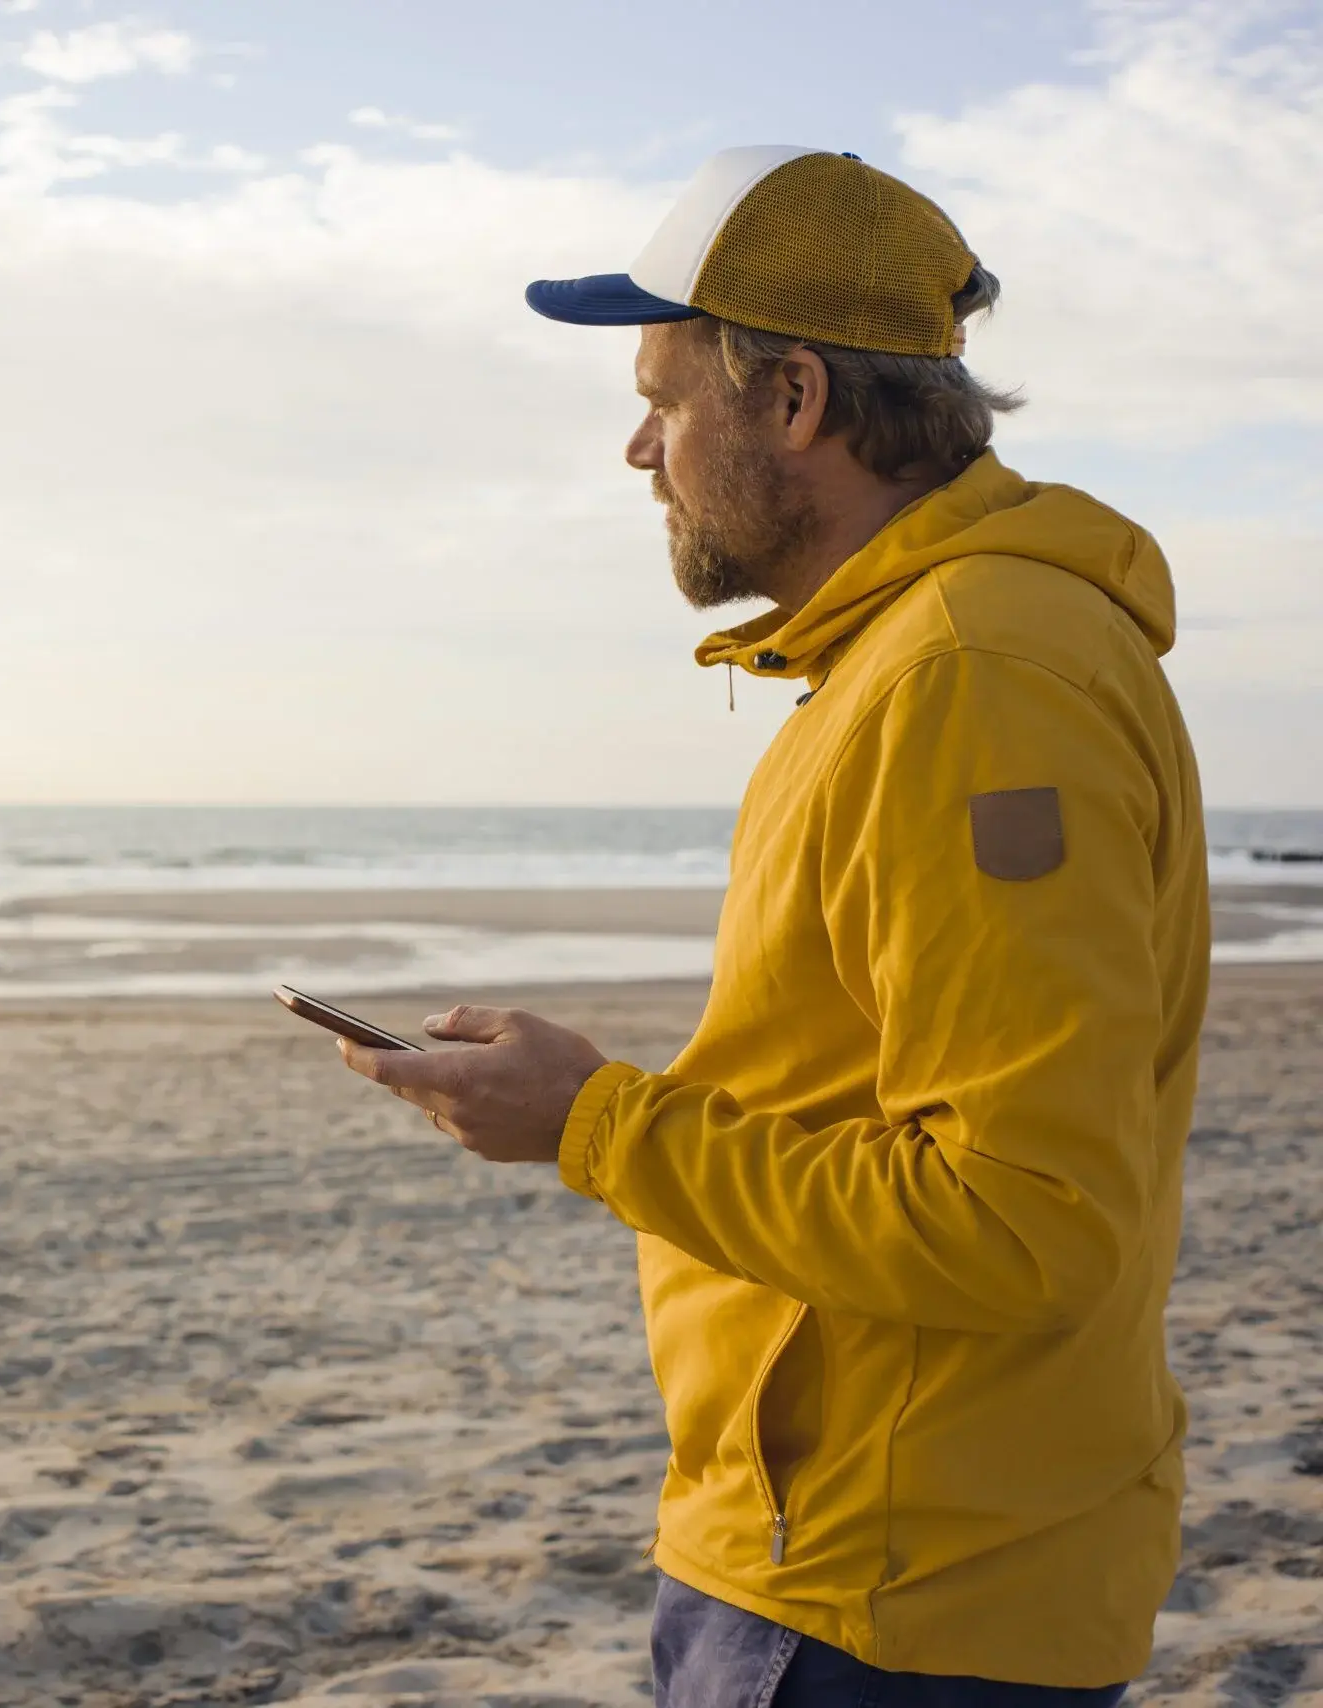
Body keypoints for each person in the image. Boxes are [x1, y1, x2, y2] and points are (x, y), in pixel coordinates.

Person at [338, 145, 1209, 1703]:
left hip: (886, 1590)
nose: (636, 448)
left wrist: (597, 1123)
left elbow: (1023, 1224)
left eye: (665, 399)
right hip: (891, 1548)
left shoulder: (968, 676)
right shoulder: (922, 654)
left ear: (792, 400)